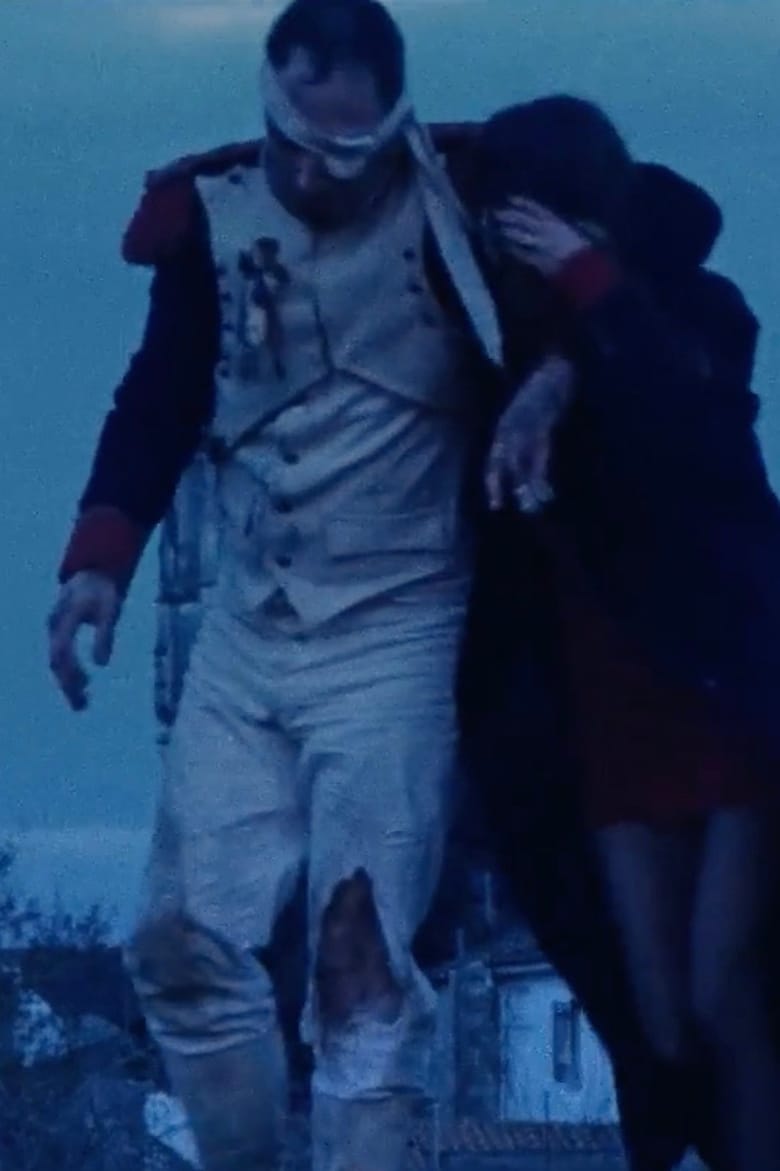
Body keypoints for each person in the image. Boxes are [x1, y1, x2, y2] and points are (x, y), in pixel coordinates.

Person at [44, 2, 534, 1169]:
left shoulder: (464, 211)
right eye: (293, 140)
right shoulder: (213, 220)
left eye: (344, 151)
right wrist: (98, 563)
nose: (312, 173)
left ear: (393, 126)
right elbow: (161, 396)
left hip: (400, 628)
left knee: (362, 965)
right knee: (181, 945)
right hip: (248, 626)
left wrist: (558, 373)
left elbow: (628, 250)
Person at [463, 94, 780, 1171]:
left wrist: (589, 290)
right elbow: (396, 156)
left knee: (725, 986)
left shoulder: (699, 311)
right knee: (658, 1023)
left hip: (728, 695)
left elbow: (689, 427)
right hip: (608, 716)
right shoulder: (508, 351)